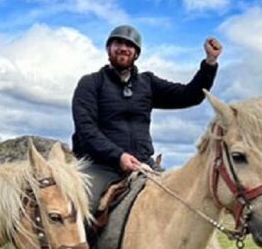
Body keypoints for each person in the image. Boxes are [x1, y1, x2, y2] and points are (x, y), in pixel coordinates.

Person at [71, 24, 223, 212]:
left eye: (130, 45)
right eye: (118, 42)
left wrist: (209, 63)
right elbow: (86, 130)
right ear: (108, 48)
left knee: (184, 204)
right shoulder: (90, 84)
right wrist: (119, 156)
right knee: (80, 211)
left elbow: (190, 95)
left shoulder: (147, 83)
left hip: (143, 163)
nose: (124, 48)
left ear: (136, 53)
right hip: (100, 166)